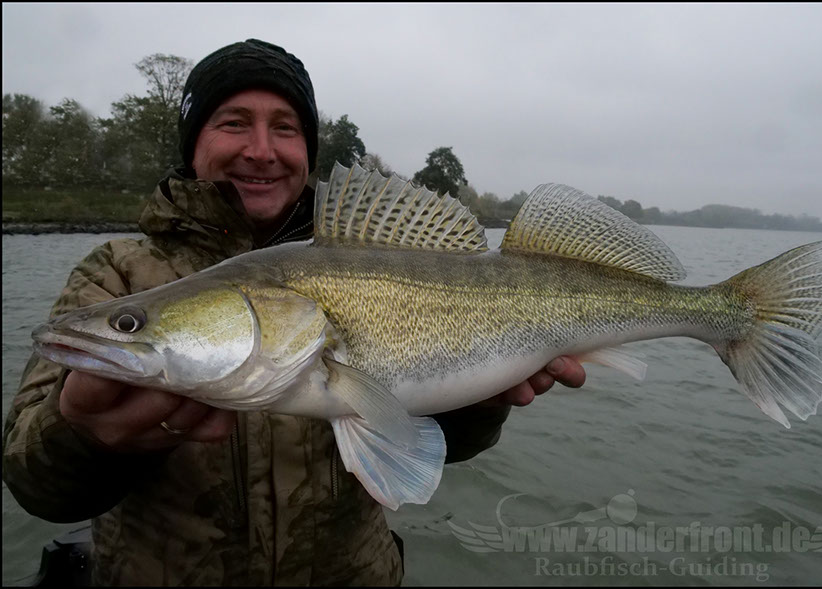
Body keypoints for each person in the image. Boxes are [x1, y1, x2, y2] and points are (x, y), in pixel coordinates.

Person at [2, 39, 585, 586]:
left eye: (285, 128)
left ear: (308, 150)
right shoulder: (115, 274)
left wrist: (479, 404)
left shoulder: (373, 250)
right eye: (233, 122)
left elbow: (435, 439)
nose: (261, 149)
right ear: (193, 141)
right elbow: (34, 485)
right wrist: (86, 437)